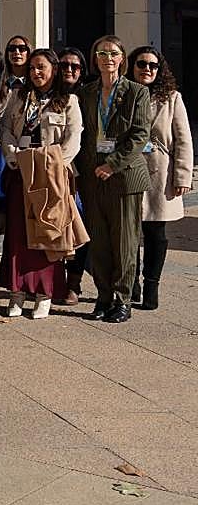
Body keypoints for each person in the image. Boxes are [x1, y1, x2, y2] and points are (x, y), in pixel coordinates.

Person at [0, 48, 82, 319]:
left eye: (41, 67)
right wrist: (13, 156)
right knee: (17, 234)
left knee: (47, 234)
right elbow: (7, 130)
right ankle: (17, 292)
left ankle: (45, 293)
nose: (36, 72)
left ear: (54, 70)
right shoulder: (18, 96)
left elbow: (72, 140)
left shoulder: (67, 100)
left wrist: (53, 164)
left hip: (51, 176)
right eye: (32, 67)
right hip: (20, 171)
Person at [77, 36, 150, 324]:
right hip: (93, 177)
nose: (107, 57)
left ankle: (123, 300)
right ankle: (103, 296)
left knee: (124, 243)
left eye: (113, 53)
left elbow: (140, 134)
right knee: (100, 243)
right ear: (95, 59)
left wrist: (113, 164)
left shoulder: (136, 92)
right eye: (101, 53)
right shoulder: (87, 92)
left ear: (122, 59)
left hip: (124, 177)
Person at [127, 46, 192, 310]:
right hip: (128, 170)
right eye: (142, 64)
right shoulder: (123, 94)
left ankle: (151, 286)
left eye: (153, 65)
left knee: (156, 233)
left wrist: (183, 175)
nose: (147, 69)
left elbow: (183, 139)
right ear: (132, 66)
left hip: (159, 173)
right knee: (128, 234)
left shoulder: (171, 98)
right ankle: (131, 284)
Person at [57, 46, 89, 302]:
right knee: (56, 226)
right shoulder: (52, 94)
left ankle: (74, 282)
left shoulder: (89, 94)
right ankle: (56, 279)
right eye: (65, 65)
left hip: (84, 171)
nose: (69, 70)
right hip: (56, 170)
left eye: (75, 66)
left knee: (80, 228)